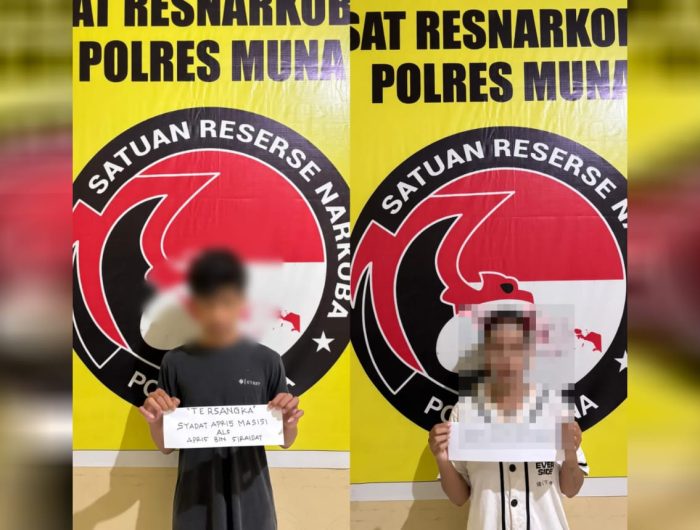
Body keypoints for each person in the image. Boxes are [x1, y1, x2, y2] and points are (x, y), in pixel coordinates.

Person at [138, 249, 303, 530]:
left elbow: (286, 440)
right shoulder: (175, 362)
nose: (217, 314)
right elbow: (165, 446)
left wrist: (288, 423)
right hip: (194, 504)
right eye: (207, 304)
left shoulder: (267, 361)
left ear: (242, 303)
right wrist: (155, 422)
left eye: (226, 302)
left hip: (253, 503)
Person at [428, 311, 587, 530]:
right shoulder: (464, 412)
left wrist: (570, 454)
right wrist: (441, 457)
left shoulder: (555, 408)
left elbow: (571, 489)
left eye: (515, 348)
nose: (506, 358)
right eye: (497, 347)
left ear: (529, 353)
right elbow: (459, 498)